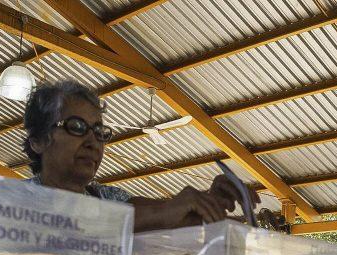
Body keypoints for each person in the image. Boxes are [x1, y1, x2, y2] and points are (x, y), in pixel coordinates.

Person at [21, 80, 259, 228]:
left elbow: (173, 215)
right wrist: (166, 212)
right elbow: (73, 226)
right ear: (38, 141)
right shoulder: (14, 203)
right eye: (77, 126)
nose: (93, 142)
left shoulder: (108, 198)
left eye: (99, 131)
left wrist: (209, 202)